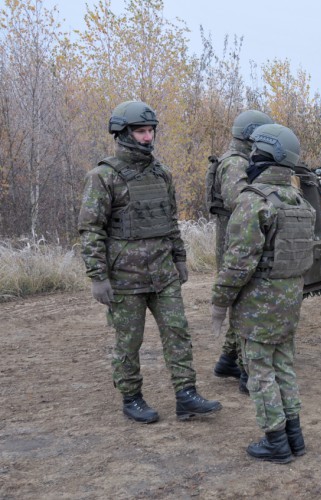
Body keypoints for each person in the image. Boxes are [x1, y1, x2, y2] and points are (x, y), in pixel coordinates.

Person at [79, 100, 222, 424]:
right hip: (125, 277)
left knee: (178, 331)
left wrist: (180, 258)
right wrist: (97, 276)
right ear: (124, 133)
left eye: (150, 131)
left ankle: (186, 396)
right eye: (141, 131)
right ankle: (132, 398)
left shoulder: (162, 174)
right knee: (129, 341)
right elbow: (90, 229)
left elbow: (170, 220)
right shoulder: (103, 176)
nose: (147, 137)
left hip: (163, 272)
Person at [210, 123, 315, 463]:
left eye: (255, 152)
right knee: (284, 367)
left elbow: (238, 263)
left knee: (260, 373)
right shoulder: (300, 203)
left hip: (258, 305)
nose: (250, 156)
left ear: (265, 157)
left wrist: (219, 302)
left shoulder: (254, 203)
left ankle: (275, 442)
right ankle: (294, 438)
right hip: (289, 302)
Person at [206, 109, 274, 394]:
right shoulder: (235, 163)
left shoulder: (242, 160)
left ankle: (228, 360)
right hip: (236, 240)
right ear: (252, 135)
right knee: (247, 303)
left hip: (239, 236)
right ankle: (248, 372)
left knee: (243, 299)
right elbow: (238, 201)